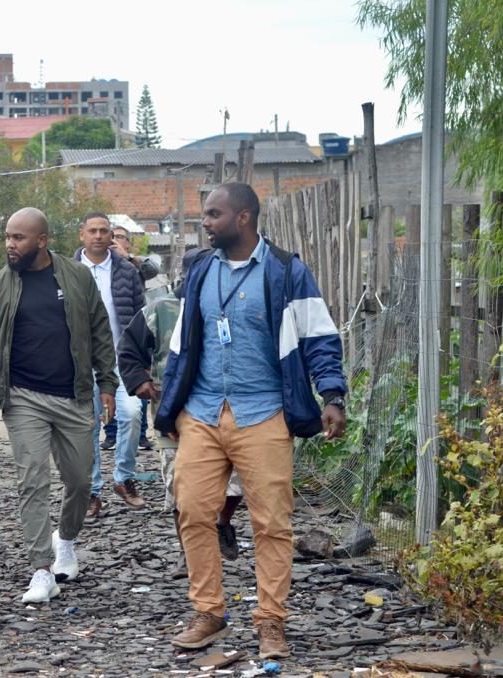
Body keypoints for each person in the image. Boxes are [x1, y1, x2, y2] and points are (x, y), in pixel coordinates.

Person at [153, 182, 347, 659]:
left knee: (271, 523)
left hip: (264, 414)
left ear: (243, 218)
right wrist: (170, 407)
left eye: (213, 214)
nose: (205, 222)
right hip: (201, 411)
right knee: (193, 511)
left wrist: (332, 395)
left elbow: (319, 335)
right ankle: (209, 613)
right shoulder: (200, 270)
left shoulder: (285, 270)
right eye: (204, 214)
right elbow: (182, 343)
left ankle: (271, 623)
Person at [0, 207, 118, 604]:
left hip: (73, 394)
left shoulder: (75, 277)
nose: (10, 244)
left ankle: (67, 540)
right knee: (32, 479)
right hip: (23, 397)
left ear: (41, 241)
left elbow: (99, 330)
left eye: (18, 238)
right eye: (7, 236)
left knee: (79, 480)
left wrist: (106, 382)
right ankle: (41, 570)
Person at [116, 287, 244, 578]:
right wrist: (140, 382)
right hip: (170, 412)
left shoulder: (228, 304)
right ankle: (189, 552)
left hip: (222, 411)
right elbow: (128, 348)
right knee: (180, 488)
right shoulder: (160, 310)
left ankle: (222, 523)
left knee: (234, 481)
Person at [73, 213, 146, 518]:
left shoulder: (127, 271)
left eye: (105, 231)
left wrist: (144, 358)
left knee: (132, 413)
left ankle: (124, 477)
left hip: (122, 359)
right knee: (87, 425)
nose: (99, 236)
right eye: (93, 231)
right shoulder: (68, 271)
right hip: (82, 362)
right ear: (82, 234)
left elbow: (142, 315)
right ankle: (91, 492)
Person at [110, 224, 159, 452]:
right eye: (114, 236)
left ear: (128, 242)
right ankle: (111, 434)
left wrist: (128, 257)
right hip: (109, 334)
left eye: (121, 237)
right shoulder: (106, 264)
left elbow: (154, 270)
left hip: (134, 329)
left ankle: (141, 435)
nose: (116, 240)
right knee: (109, 388)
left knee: (137, 381)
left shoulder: (134, 263)